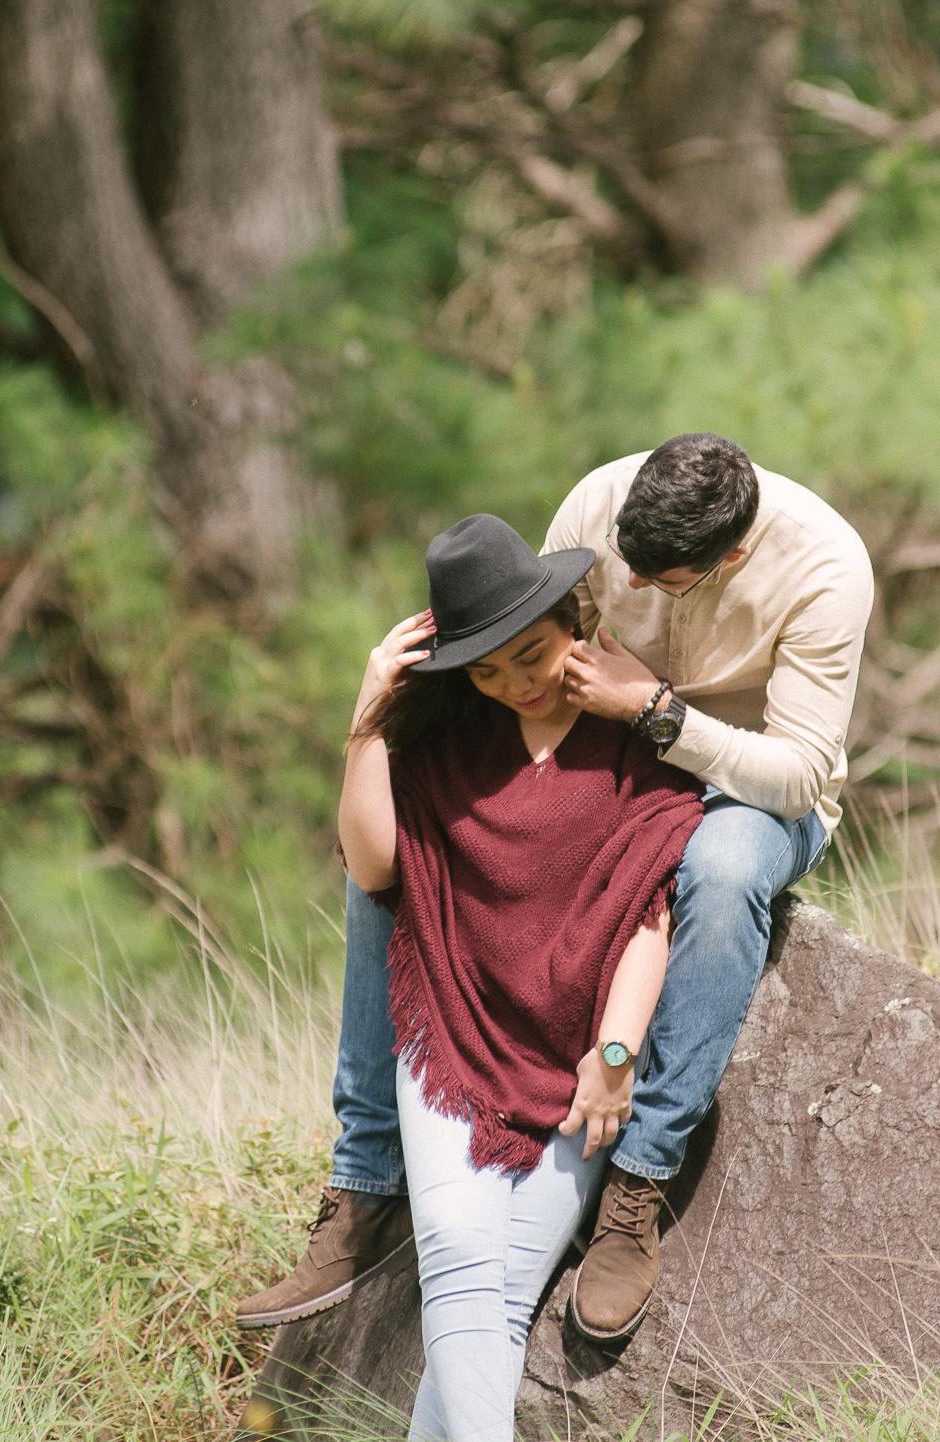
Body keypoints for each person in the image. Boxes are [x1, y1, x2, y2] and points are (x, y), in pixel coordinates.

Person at [234, 433, 874, 1342]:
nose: (637, 593)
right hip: (606, 762)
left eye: (668, 581)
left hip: (745, 790)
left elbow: (799, 778)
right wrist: (387, 727)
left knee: (720, 870)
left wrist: (655, 712)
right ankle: (366, 1187)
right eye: (628, 572)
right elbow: (519, 646)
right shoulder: (601, 504)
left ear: (731, 554)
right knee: (395, 849)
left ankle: (638, 1184)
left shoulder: (826, 567)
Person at [340, 513, 704, 1442]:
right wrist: (366, 720)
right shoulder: (448, 745)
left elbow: (648, 911)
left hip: (576, 1069)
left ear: (570, 624)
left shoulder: (631, 738)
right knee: (462, 1259)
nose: (516, 685)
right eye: (489, 670)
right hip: (454, 1044)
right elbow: (375, 865)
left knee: (495, 1302)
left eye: (531, 655)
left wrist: (616, 1054)